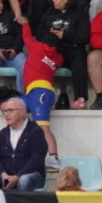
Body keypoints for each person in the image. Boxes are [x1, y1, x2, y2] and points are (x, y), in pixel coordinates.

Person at [16, 18, 64, 165]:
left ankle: (53, 156)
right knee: (12, 108)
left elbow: (26, 37)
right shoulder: (59, 58)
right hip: (35, 93)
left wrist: (25, 23)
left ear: (42, 41)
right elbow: (57, 58)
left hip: (40, 93)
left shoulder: (36, 47)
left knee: (43, 127)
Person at [36, 0, 90, 111]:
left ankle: (80, 98)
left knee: (79, 59)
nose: (53, 0)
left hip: (72, 50)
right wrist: (51, 36)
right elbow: (39, 33)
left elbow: (84, 37)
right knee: (39, 60)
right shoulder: (49, 14)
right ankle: (40, 95)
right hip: (53, 50)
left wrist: (64, 35)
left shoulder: (79, 15)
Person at [0, 96, 47, 192]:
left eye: (10, 110)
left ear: (22, 112)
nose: (6, 114)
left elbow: (36, 159)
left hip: (32, 174)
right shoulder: (3, 133)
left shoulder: (35, 131)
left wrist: (18, 176)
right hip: (7, 174)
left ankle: (19, 202)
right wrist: (3, 174)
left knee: (24, 180)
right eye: (5, 111)